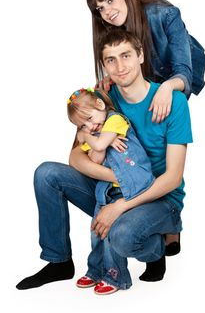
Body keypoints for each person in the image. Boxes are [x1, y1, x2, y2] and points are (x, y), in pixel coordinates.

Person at [16, 29, 192, 291]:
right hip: (110, 189)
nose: (119, 67)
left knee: (121, 235)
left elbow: (173, 178)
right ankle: (58, 261)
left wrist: (120, 206)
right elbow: (76, 157)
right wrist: (116, 180)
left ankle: (157, 247)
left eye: (126, 55)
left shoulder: (172, 101)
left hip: (159, 197)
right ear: (103, 65)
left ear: (140, 55)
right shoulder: (101, 102)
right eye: (111, 60)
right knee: (46, 174)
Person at [86, 0, 205, 253]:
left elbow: (183, 71)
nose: (107, 12)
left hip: (171, 79)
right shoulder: (109, 28)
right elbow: (114, 57)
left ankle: (168, 221)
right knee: (139, 143)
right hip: (135, 86)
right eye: (99, 9)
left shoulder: (164, 14)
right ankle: (145, 205)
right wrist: (109, 81)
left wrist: (168, 87)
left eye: (111, 1)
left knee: (163, 144)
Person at [67, 87, 155, 294]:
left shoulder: (115, 120)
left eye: (89, 119)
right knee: (96, 230)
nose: (89, 126)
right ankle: (95, 270)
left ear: (100, 105)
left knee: (109, 233)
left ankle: (115, 276)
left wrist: (85, 137)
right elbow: (95, 159)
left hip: (132, 186)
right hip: (107, 188)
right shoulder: (98, 131)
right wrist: (100, 143)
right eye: (83, 125)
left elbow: (98, 145)